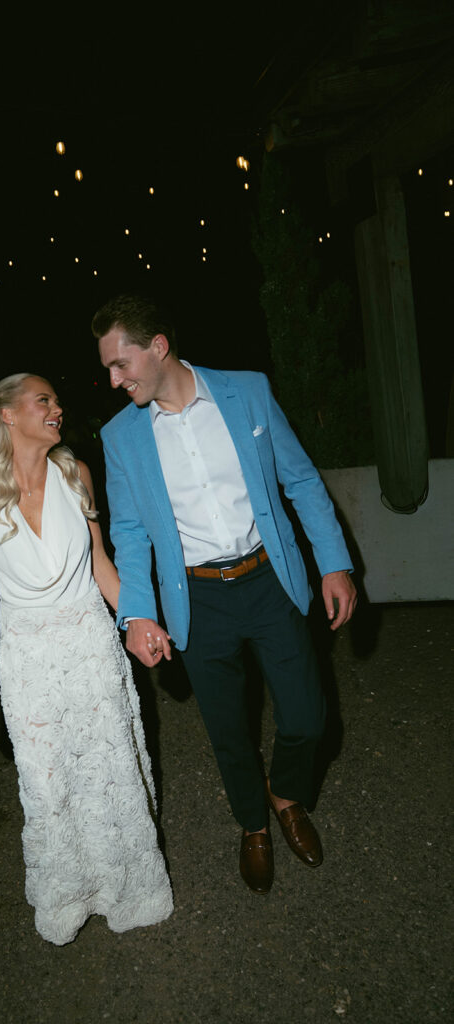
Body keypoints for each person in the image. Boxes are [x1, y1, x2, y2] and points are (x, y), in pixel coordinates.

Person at [92, 294, 357, 896]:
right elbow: (129, 533)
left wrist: (335, 564)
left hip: (269, 579)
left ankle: (286, 794)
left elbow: (301, 480)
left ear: (158, 347)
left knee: (309, 716)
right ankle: (252, 823)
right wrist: (136, 613)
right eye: (109, 368)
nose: (113, 379)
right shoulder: (120, 437)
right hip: (197, 598)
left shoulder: (248, 392)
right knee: (227, 729)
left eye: (120, 363)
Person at [0, 372, 173, 945]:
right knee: (49, 782)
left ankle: (129, 887)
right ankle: (70, 894)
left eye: (55, 400)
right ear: (8, 414)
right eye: (42, 400)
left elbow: (101, 564)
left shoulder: (76, 475)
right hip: (27, 659)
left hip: (89, 643)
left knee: (109, 768)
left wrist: (141, 622)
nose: (57, 408)